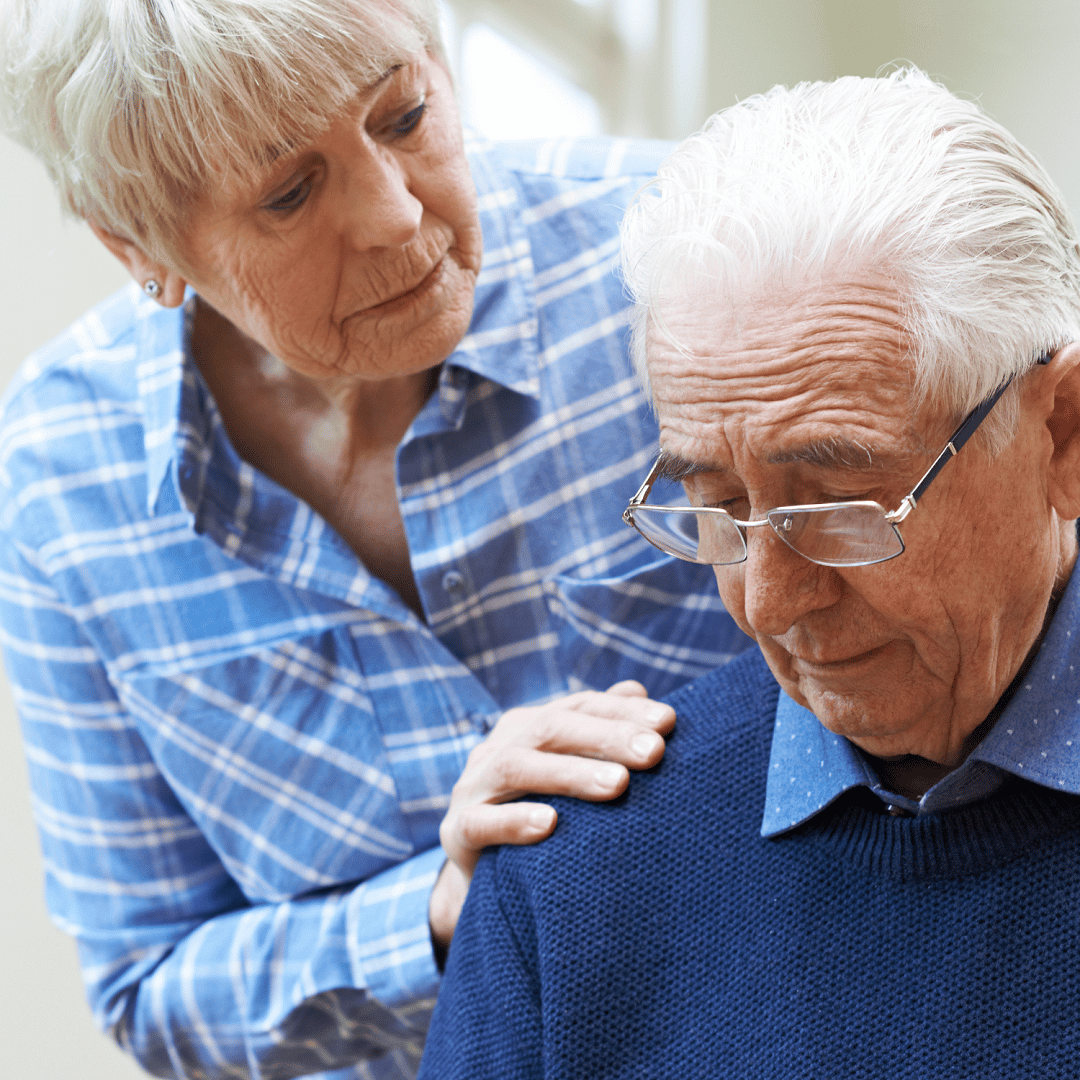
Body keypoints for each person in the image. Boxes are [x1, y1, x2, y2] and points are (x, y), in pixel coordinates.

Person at [0, 2, 749, 1077]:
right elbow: (148, 984)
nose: (397, 215)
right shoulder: (61, 474)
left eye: (403, 116)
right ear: (140, 248)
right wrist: (444, 908)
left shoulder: (690, 254)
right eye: (290, 192)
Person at [417, 68, 1080, 1078]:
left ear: (1062, 436)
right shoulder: (566, 879)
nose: (766, 604)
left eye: (838, 509)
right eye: (716, 505)